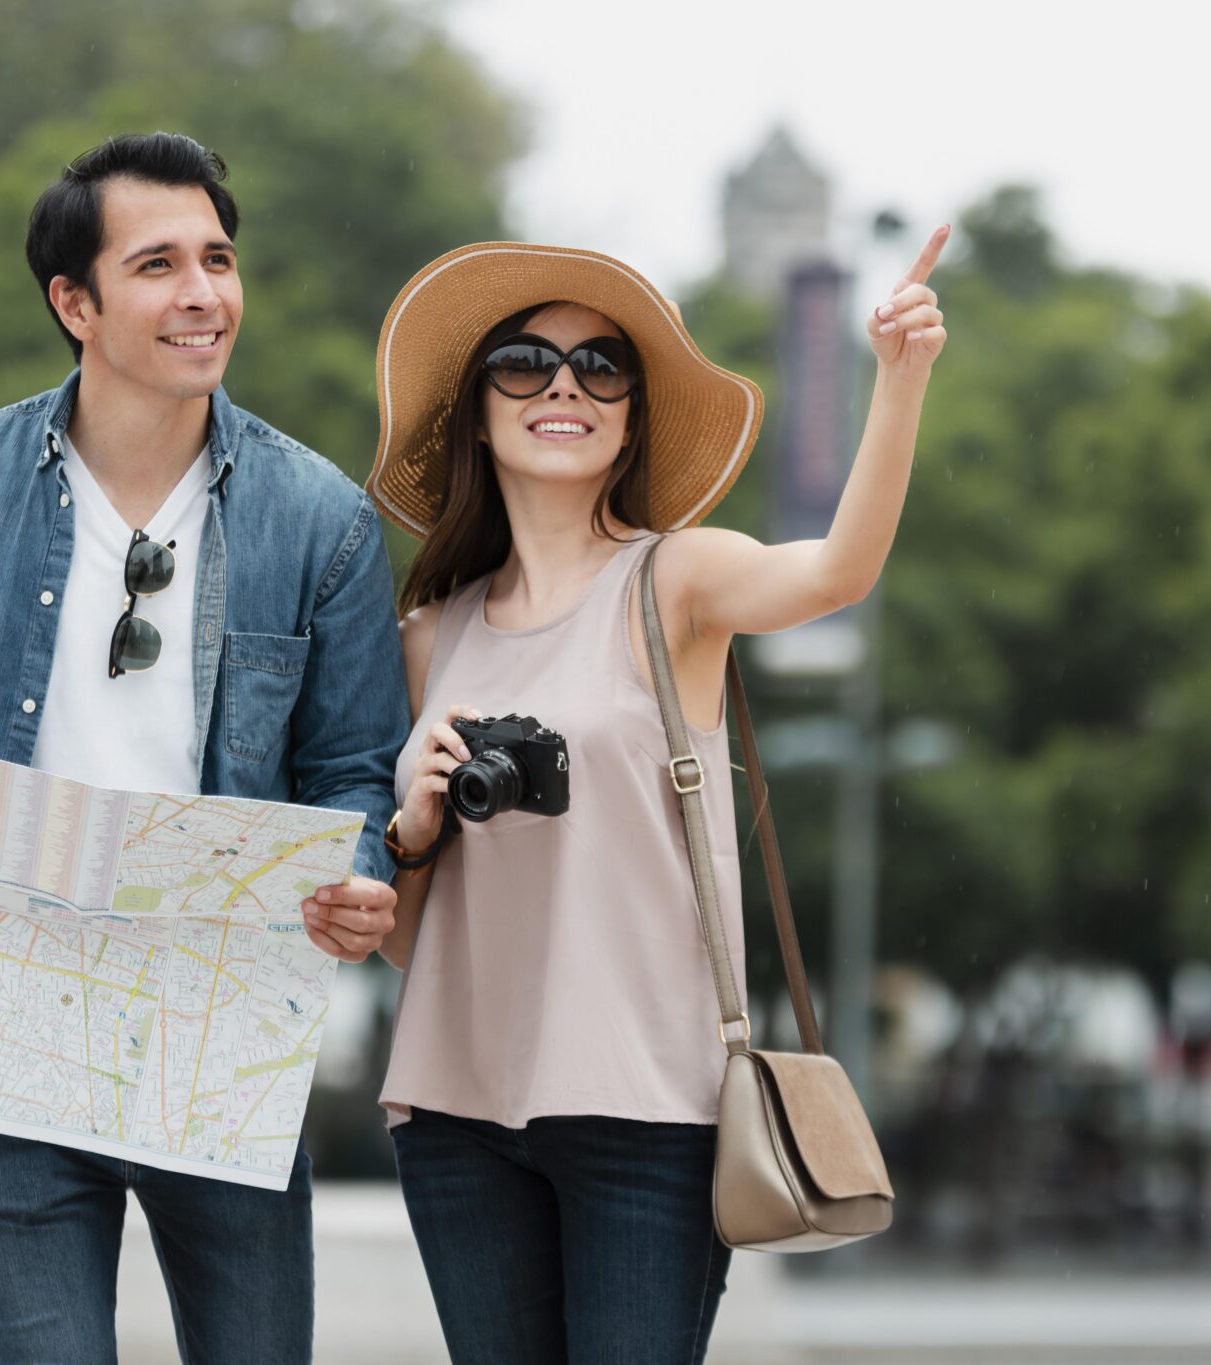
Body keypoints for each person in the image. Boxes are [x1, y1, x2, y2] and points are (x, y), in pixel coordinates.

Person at [0, 131, 409, 1364]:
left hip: (218, 1036)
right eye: (159, 264)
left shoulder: (321, 518)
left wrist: (363, 875)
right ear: (74, 301)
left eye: (219, 259)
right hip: (5, 1029)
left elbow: (353, 772)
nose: (203, 294)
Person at [365, 231, 949, 1363]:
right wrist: (414, 828)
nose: (563, 388)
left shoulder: (673, 581)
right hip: (454, 1112)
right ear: (476, 413)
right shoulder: (426, 641)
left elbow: (837, 570)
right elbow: (399, 948)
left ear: (629, 417)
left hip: (647, 1110)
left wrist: (898, 374)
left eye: (601, 369)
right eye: (522, 365)